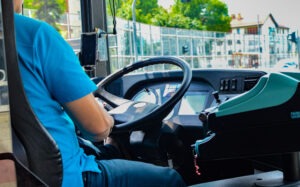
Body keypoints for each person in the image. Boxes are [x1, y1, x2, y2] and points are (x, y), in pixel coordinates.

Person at [13, 0, 186, 186]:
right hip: (64, 178)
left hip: (15, 176)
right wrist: (108, 120)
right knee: (170, 179)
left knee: (108, 153)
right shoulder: (35, 35)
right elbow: (97, 130)